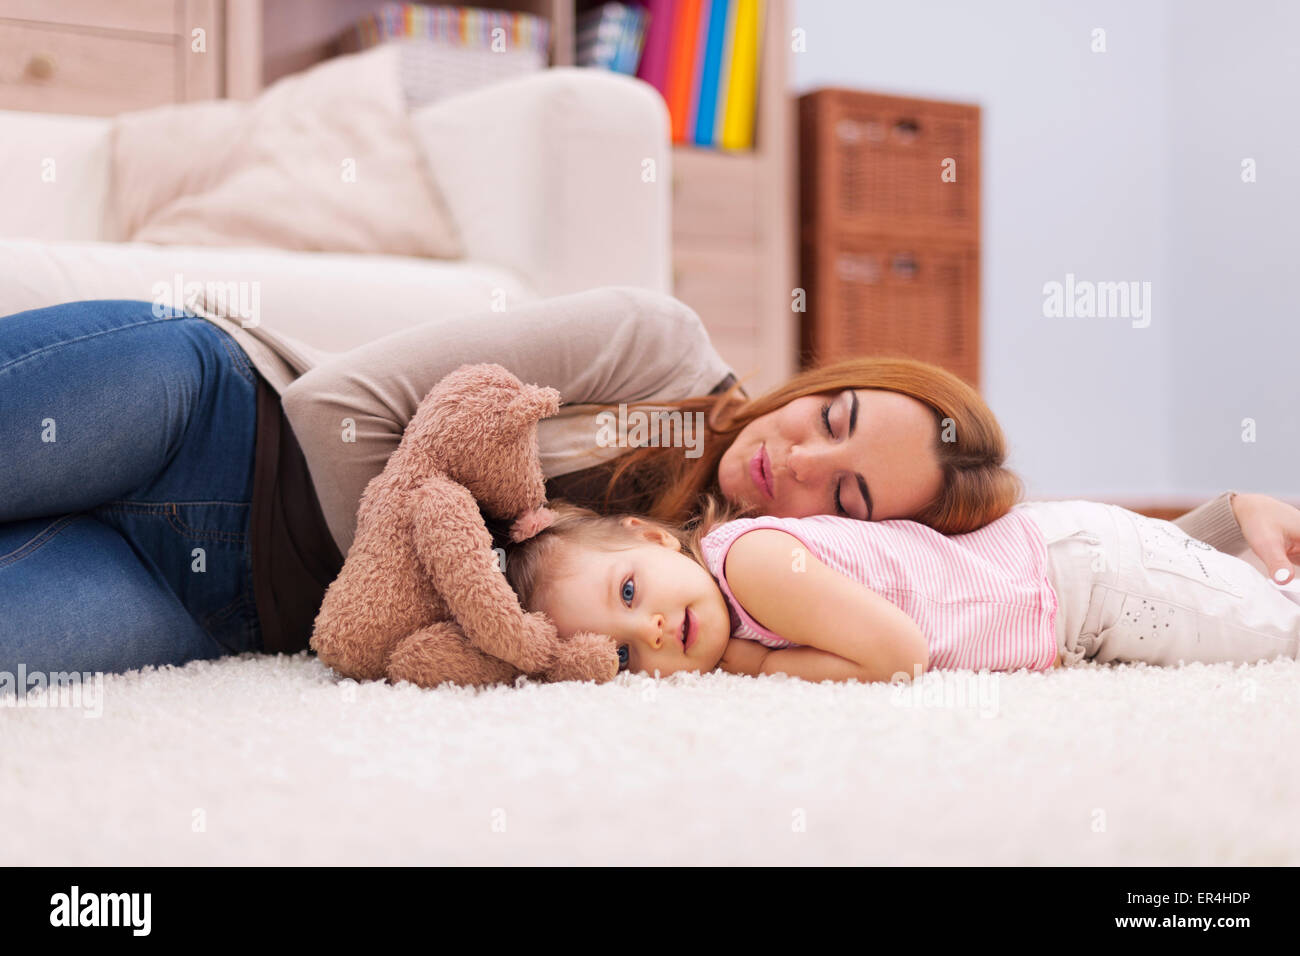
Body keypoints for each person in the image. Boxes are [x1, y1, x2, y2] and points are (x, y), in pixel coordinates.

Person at [2, 291, 1296, 675]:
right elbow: (348, 410)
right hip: (217, 419)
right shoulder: (661, 351)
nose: (805, 458)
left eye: (849, 498)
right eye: (833, 415)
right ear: (818, 378)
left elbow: (1023, 573)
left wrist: (1216, 520)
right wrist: (468, 535)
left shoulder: (700, 595)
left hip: (224, 607)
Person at [500, 497, 1300, 683]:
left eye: (631, 590)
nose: (653, 631)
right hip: (1071, 589)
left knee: (1277, 634)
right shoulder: (738, 588)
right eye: (623, 652)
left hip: (1085, 577)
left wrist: (753, 667)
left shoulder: (753, 567)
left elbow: (900, 655)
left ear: (651, 535)